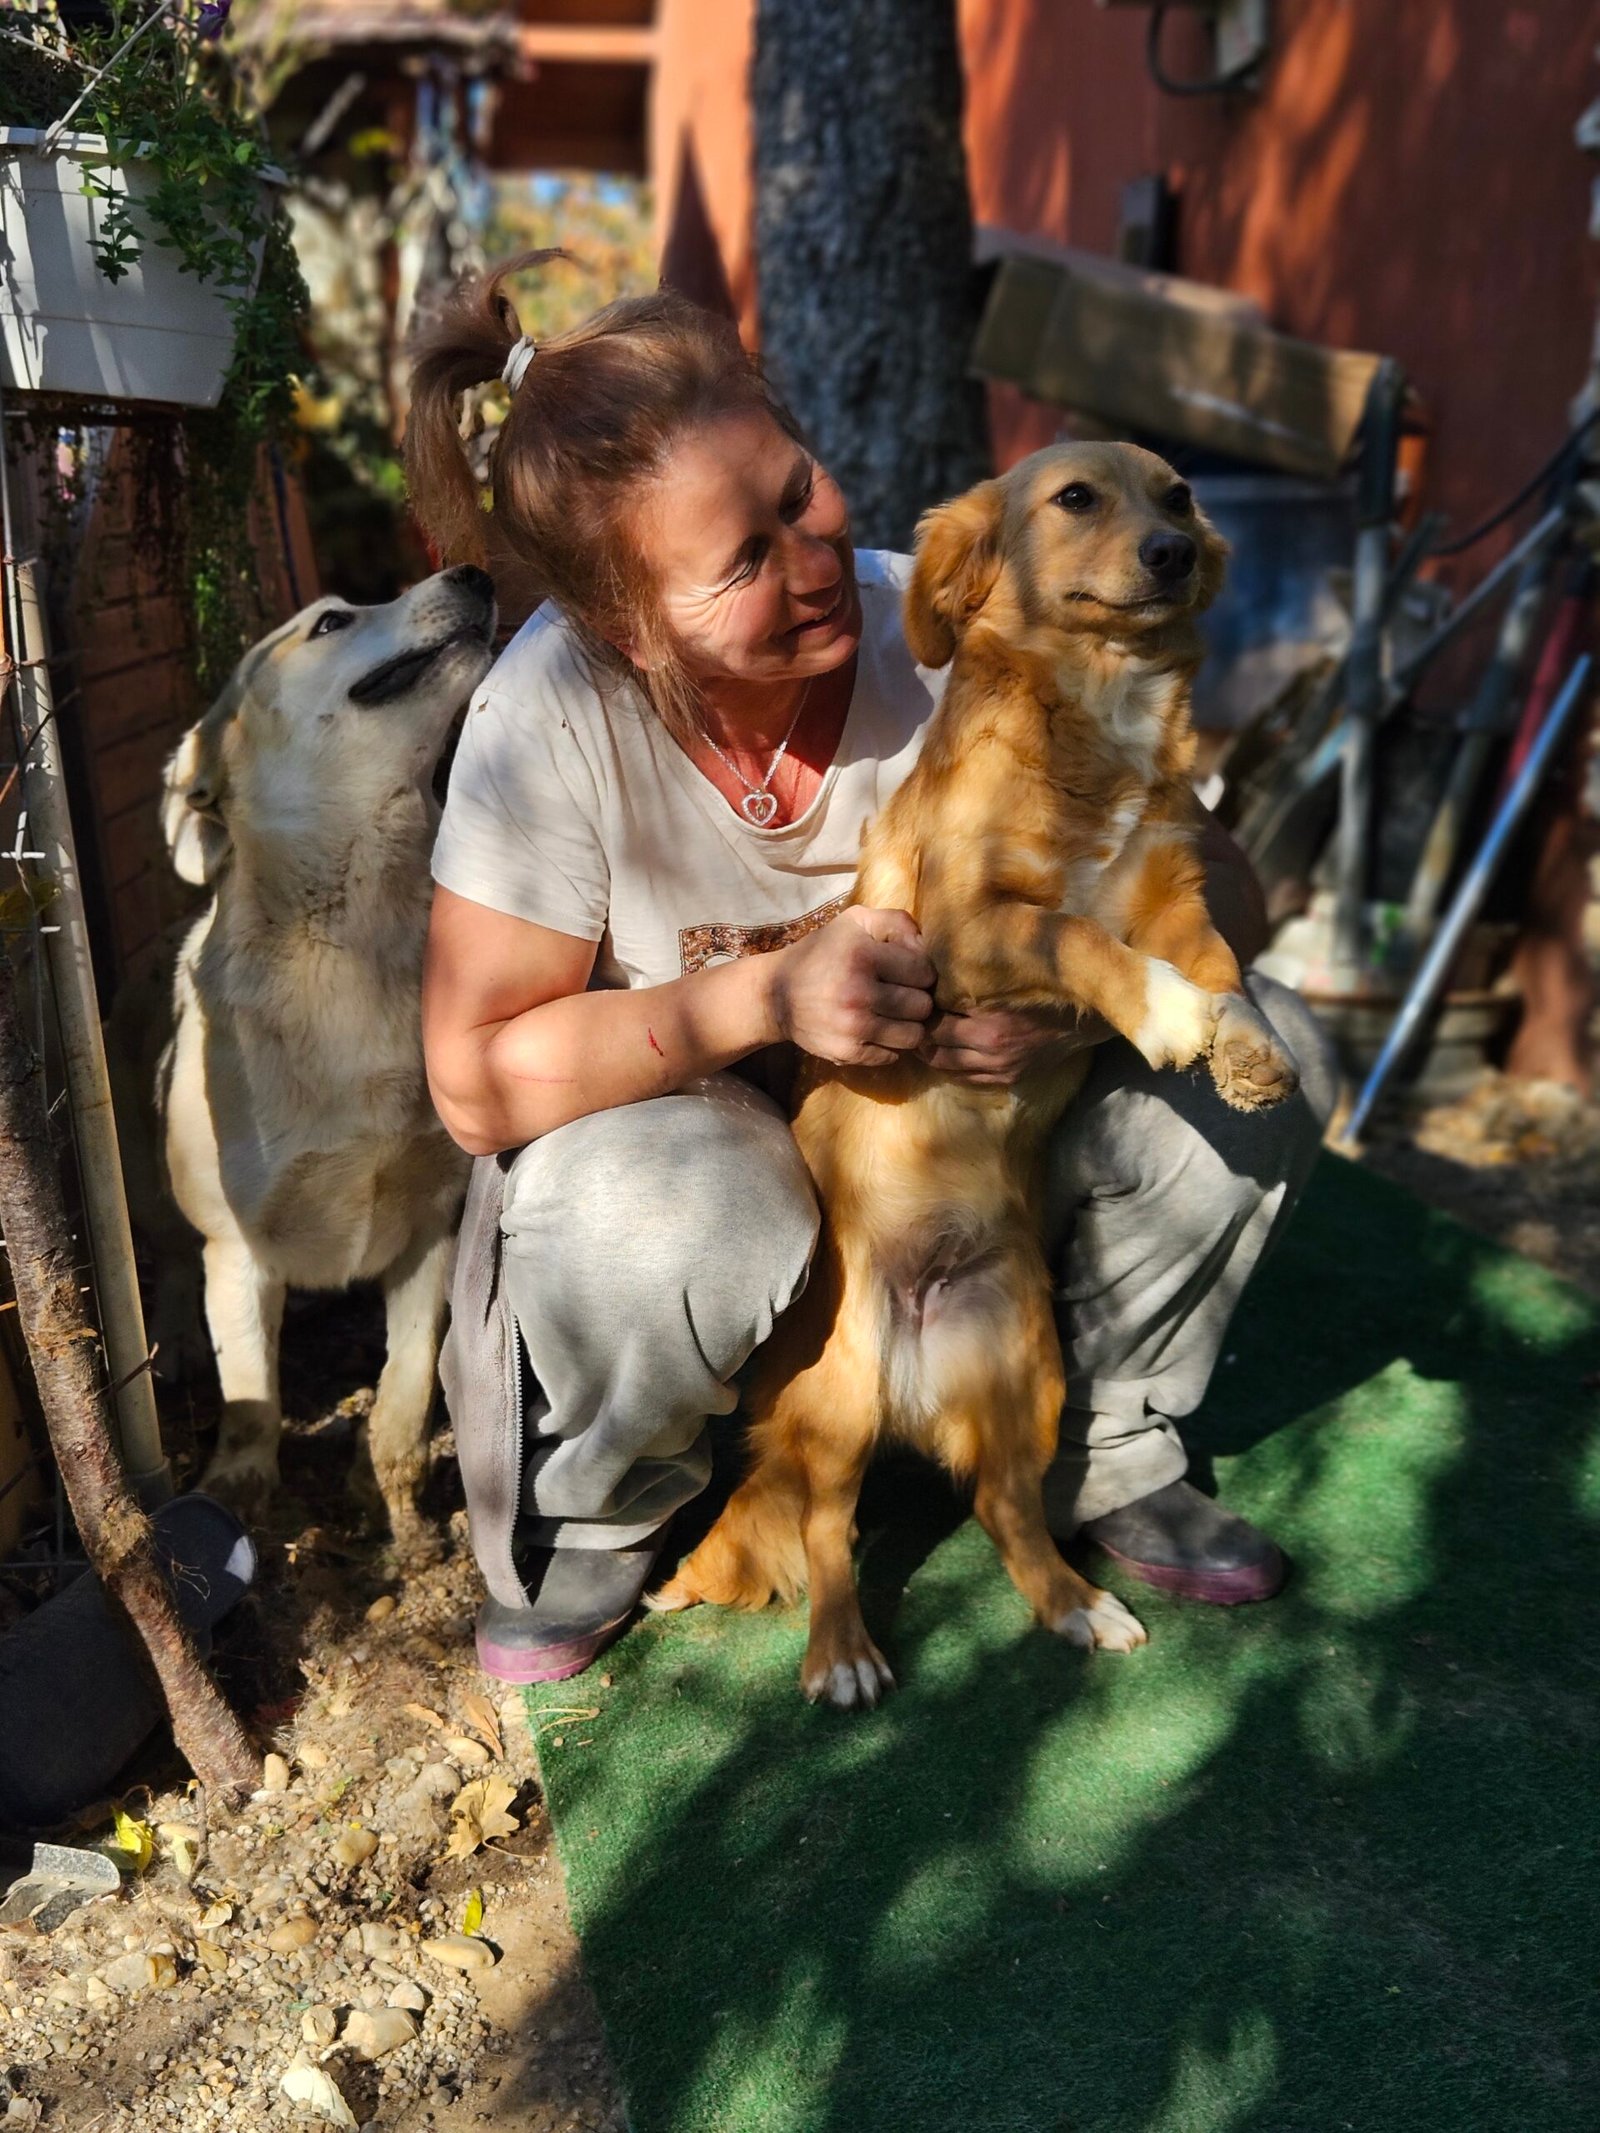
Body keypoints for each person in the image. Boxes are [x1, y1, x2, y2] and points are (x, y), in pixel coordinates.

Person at [406, 254, 1339, 1687]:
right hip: (717, 1150)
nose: (811, 562)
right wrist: (769, 998)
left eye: (802, 493)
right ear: (631, 629)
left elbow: (1225, 892)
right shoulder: (547, 719)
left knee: (1273, 1057)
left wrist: (1068, 1018)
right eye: (743, 563)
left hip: (972, 1170)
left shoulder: (971, 611)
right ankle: (608, 1503)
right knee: (668, 1199)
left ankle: (1111, 1440)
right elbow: (475, 1085)